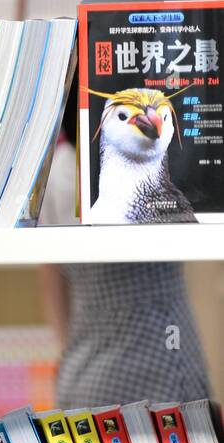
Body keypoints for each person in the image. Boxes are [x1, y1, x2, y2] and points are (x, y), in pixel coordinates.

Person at [36, 82, 213, 409]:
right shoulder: (153, 169)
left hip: (84, 363)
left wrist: (67, 351)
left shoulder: (57, 169)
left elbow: (51, 280)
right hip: (164, 353)